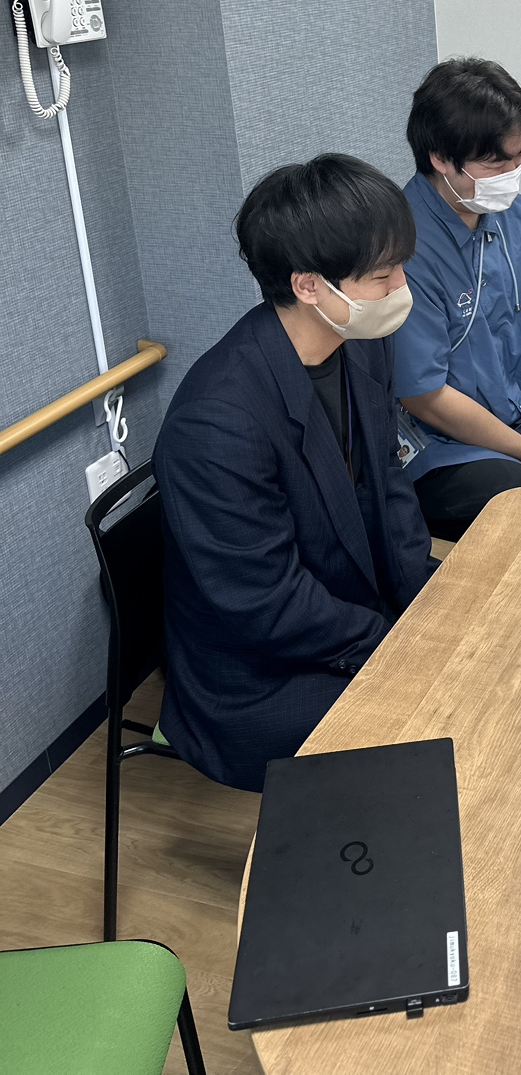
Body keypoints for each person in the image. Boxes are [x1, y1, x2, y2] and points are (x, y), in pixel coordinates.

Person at [153, 155, 433, 792]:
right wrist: (393, 646)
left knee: (481, 642)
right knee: (431, 716)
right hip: (259, 675)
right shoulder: (216, 423)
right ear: (309, 286)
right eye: (383, 277)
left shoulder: (360, 343)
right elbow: (267, 605)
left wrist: (426, 606)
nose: (401, 289)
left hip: (343, 607)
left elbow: (390, 488)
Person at [393, 58, 521, 541]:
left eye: (519, 156)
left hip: (516, 412)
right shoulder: (401, 245)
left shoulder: (514, 214)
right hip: (442, 445)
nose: (512, 173)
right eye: (495, 163)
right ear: (440, 158)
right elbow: (425, 396)